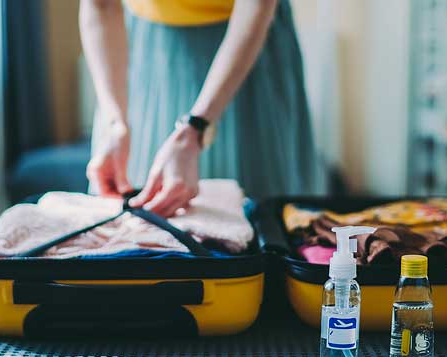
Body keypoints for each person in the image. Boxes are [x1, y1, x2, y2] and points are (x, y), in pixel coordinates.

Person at [80, 0, 324, 217]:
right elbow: (100, 5)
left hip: (247, 45)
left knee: (256, 217)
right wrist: (116, 122)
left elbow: (256, 6)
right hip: (145, 47)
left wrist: (195, 128)